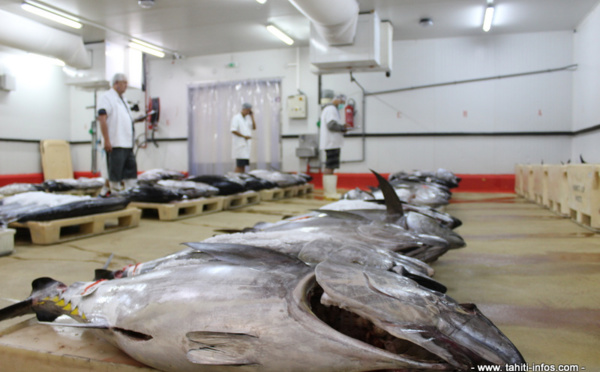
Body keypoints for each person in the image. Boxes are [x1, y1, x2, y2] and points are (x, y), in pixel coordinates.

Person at [97, 73, 145, 193]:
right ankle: (116, 195)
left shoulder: (123, 99)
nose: (126, 86)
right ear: (116, 83)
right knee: (115, 173)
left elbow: (123, 119)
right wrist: (107, 140)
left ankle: (131, 193)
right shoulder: (107, 97)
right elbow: (102, 118)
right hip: (115, 143)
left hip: (127, 144)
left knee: (131, 171)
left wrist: (137, 119)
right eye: (124, 83)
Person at [319, 92, 349, 175]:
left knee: (331, 165)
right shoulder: (331, 109)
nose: (342, 105)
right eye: (342, 103)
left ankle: (329, 184)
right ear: (337, 100)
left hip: (331, 143)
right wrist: (342, 128)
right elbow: (331, 125)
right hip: (331, 143)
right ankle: (328, 186)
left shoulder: (330, 109)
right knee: (330, 165)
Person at [230, 102, 256, 173]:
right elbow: (233, 130)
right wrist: (244, 136)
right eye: (248, 110)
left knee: (243, 165)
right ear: (244, 109)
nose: (248, 112)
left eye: (249, 111)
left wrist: (252, 117)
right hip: (240, 146)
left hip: (245, 147)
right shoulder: (236, 118)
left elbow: (254, 127)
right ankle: (236, 179)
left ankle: (241, 178)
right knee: (239, 165)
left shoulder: (247, 119)